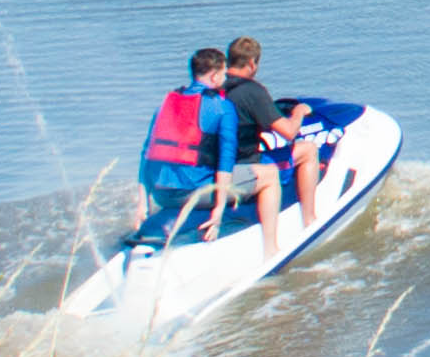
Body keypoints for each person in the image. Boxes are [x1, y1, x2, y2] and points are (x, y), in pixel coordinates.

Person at [130, 44, 241, 246]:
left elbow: (146, 154)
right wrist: (218, 210)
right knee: (267, 175)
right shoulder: (222, 107)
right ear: (215, 76)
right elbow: (226, 161)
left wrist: (142, 205)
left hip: (161, 194)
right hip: (194, 194)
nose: (225, 79)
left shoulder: (166, 103)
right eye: (224, 74)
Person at [219, 33, 327, 217]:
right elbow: (289, 133)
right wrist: (299, 112)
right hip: (245, 165)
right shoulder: (252, 91)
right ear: (252, 63)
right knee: (308, 150)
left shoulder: (215, 87)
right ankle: (309, 218)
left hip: (218, 163)